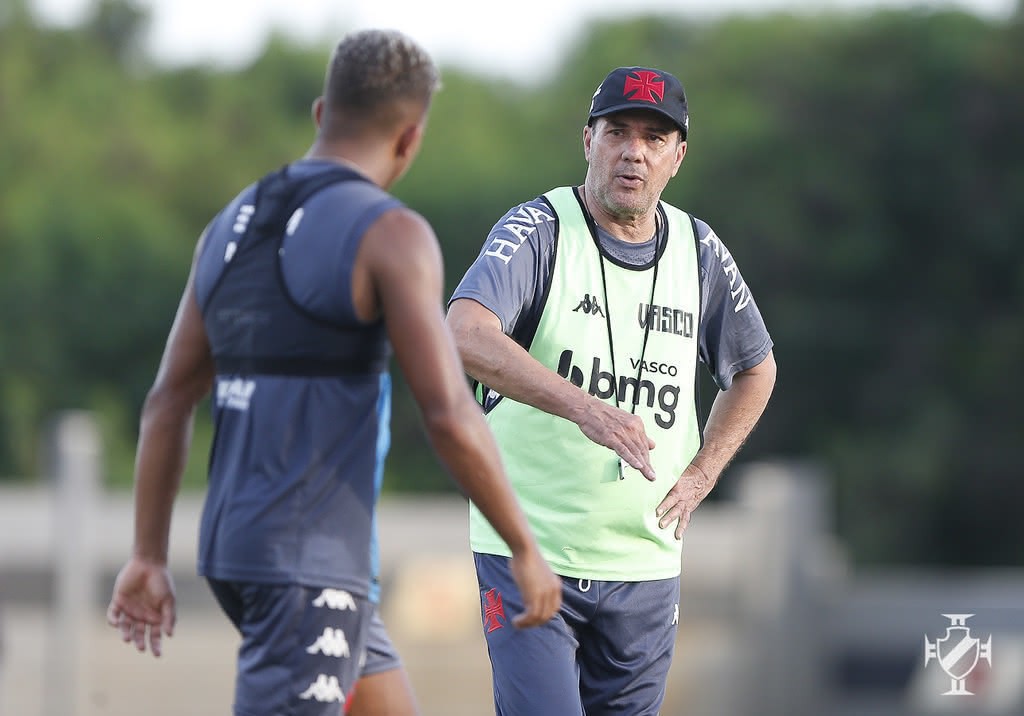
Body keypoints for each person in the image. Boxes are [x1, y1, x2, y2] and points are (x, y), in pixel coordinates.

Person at [105, 28, 561, 716]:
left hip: (241, 551)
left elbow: (168, 399)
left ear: (322, 113)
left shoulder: (231, 221)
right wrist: (522, 543)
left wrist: (147, 554)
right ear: (410, 139)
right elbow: (446, 411)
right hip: (305, 564)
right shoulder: (391, 233)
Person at [446, 66, 777, 715]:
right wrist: (585, 409)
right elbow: (462, 334)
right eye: (617, 131)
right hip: (529, 553)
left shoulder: (700, 250)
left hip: (646, 569)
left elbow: (756, 368)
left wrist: (706, 470)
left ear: (677, 157)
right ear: (588, 141)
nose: (634, 151)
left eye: (655, 137)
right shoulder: (539, 229)